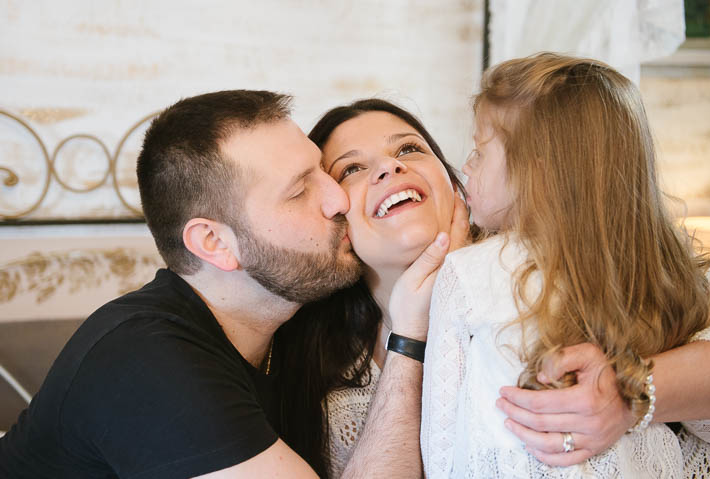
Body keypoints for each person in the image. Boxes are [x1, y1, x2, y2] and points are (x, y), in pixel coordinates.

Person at [0, 90, 464, 478]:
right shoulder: (145, 359)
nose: (337, 198)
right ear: (214, 243)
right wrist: (409, 340)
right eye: (301, 190)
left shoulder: (291, 331)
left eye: (323, 171)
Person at [283, 92, 710, 478]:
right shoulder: (333, 394)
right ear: (335, 224)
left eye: (410, 148)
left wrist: (629, 394)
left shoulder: (586, 261)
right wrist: (410, 337)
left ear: (455, 183)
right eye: (352, 168)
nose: (388, 167)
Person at [421, 53, 710, 477]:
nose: (465, 166)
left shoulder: (466, 273)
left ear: (536, 176)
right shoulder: (664, 273)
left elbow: (442, 444)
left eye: (478, 152)